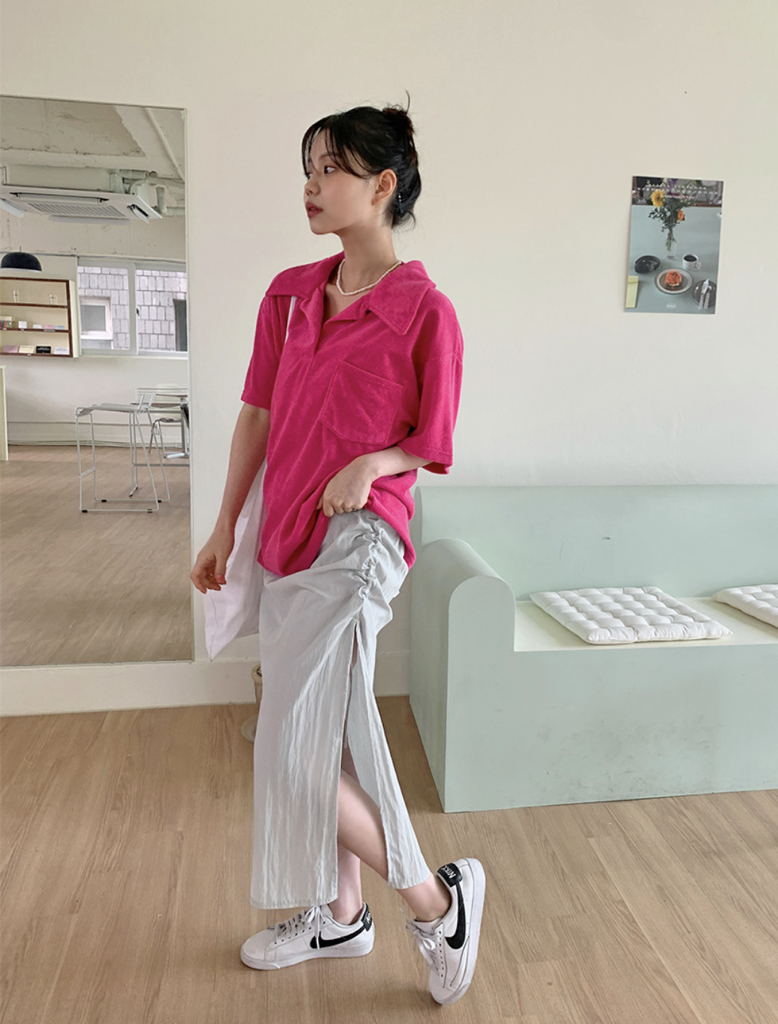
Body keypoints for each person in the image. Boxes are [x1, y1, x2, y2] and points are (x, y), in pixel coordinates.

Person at [190, 97, 485, 1006]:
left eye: (331, 169)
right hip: (286, 534)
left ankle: (437, 907)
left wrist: (375, 461)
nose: (312, 186)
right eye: (308, 169)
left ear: (383, 184)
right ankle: (341, 915)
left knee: (292, 754)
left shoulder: (426, 311)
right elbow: (256, 416)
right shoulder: (289, 296)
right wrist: (225, 526)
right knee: (327, 734)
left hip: (360, 539)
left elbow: (434, 439)